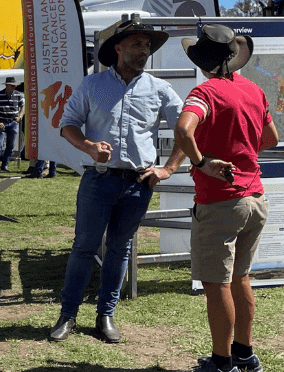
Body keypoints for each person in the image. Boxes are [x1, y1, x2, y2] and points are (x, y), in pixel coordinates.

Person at [49, 18, 185, 343]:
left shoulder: (160, 89)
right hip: (99, 181)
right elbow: (67, 124)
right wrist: (88, 146)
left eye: (147, 45)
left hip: (139, 184)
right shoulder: (92, 85)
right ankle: (67, 316)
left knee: (120, 249)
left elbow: (186, 130)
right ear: (119, 48)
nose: (144, 50)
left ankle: (105, 315)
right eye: (137, 44)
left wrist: (168, 169)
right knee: (83, 247)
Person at [172, 25, 278, 372]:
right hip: (256, 198)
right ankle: (244, 353)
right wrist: (241, 153)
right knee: (240, 278)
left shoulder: (204, 91)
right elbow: (271, 138)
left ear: (200, 60)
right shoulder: (253, 89)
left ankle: (221, 365)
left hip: (221, 201)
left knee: (216, 283)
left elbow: (184, 129)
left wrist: (202, 162)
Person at [0, 77, 24, 172]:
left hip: (13, 122)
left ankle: (4, 166)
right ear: (6, 85)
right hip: (2, 123)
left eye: (14, 86)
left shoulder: (18, 95)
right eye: (12, 85)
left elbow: (23, 106)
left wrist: (20, 116)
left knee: (11, 145)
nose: (14, 87)